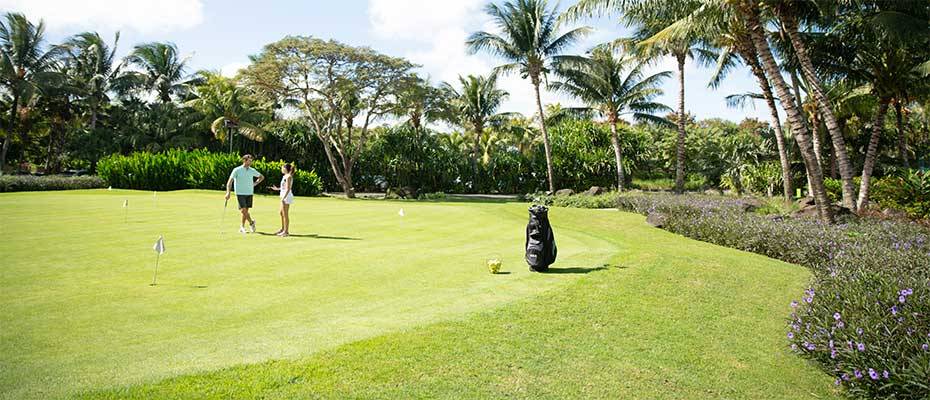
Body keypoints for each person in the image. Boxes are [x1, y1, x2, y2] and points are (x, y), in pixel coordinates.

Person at [225, 154, 264, 233]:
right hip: (240, 193)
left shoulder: (252, 170)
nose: (250, 163)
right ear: (244, 160)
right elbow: (230, 182)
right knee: (243, 210)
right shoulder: (237, 170)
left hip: (249, 192)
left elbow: (261, 177)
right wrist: (228, 192)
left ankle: (242, 227)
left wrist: (255, 183)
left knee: (245, 210)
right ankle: (251, 222)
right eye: (249, 161)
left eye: (251, 161)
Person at [270, 163, 295, 237]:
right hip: (283, 195)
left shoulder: (288, 177)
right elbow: (284, 187)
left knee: (285, 214)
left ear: (286, 169)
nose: (281, 169)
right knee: (281, 213)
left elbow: (288, 188)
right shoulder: (285, 176)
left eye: (282, 168)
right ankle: (282, 229)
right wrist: (277, 189)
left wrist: (284, 198)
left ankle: (286, 231)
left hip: (286, 196)